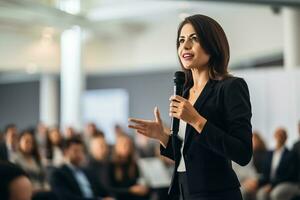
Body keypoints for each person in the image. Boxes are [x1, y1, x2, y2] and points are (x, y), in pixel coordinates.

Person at [128, 14, 252, 200]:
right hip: (185, 191)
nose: (185, 46)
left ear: (212, 44)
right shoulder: (184, 93)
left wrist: (196, 120)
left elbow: (242, 153)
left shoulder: (231, 87)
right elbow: (188, 154)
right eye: (181, 40)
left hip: (217, 193)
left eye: (194, 39)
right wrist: (162, 136)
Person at [256, 128, 298, 200]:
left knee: (275, 194)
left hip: (286, 183)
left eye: (281, 135)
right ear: (274, 136)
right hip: (270, 183)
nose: (279, 137)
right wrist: (257, 182)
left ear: (286, 138)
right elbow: (265, 173)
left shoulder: (291, 154)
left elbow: (289, 175)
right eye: (278, 134)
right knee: (261, 194)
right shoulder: (269, 154)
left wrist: (272, 185)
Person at [109, 134, 150, 200]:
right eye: (124, 145)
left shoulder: (133, 164)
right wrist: (130, 190)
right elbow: (110, 189)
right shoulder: (111, 165)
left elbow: (137, 181)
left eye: (129, 145)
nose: (127, 147)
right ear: (117, 147)